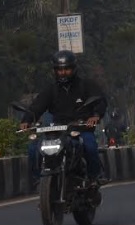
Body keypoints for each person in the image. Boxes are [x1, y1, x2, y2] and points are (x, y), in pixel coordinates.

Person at [19, 50, 107, 187]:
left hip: (80, 129)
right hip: (58, 130)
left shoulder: (86, 85)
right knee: (33, 148)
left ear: (74, 69)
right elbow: (37, 106)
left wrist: (95, 116)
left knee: (90, 146)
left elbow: (100, 101)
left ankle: (94, 177)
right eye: (60, 70)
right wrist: (26, 120)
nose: (63, 73)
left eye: (67, 69)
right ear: (55, 71)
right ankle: (38, 179)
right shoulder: (51, 90)